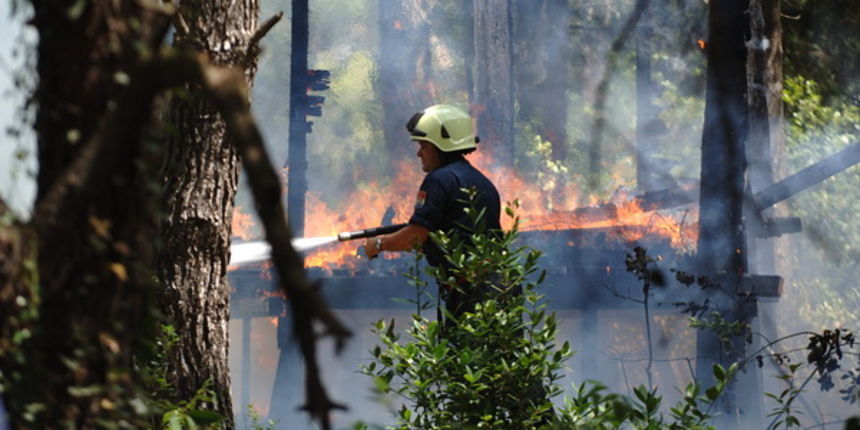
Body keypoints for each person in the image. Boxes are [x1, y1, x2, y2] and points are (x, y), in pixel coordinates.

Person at [363, 104, 502, 319]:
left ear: (441, 146)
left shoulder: (439, 180)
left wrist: (379, 244)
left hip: (469, 295)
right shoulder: (482, 182)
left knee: (461, 352)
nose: (419, 153)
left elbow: (416, 236)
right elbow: (451, 234)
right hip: (499, 291)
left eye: (424, 146)